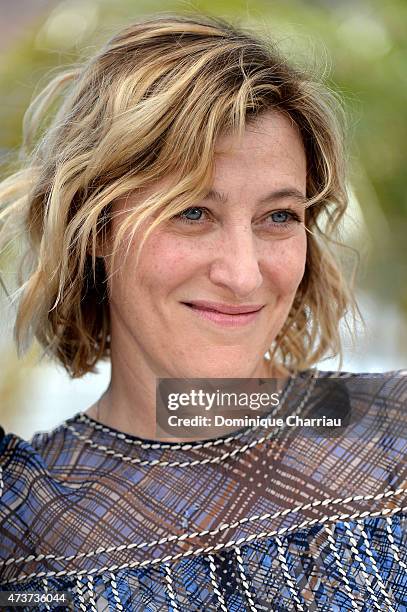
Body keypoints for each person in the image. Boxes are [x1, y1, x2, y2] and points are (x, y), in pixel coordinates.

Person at [0, 13, 406, 611]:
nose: (243, 275)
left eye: (278, 217)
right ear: (95, 227)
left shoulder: (393, 430)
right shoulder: (28, 518)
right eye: (192, 212)